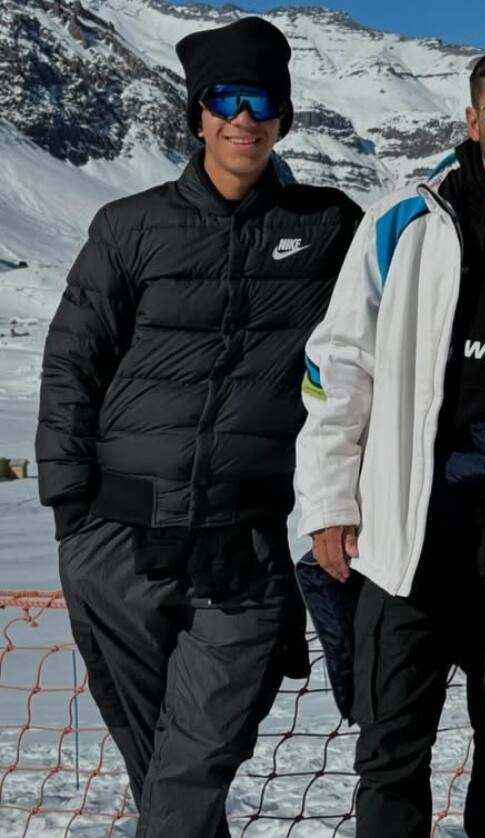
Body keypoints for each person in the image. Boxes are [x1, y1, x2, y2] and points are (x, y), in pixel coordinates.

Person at [35, 17, 361, 837]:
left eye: (262, 101)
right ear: (197, 113)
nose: (243, 118)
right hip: (116, 542)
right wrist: (72, 511)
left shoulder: (329, 226)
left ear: (284, 115)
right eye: (226, 99)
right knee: (164, 772)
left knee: (193, 762)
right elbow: (72, 363)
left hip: (241, 547)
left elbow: (386, 333)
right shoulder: (129, 224)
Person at [294, 41, 485, 837]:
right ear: (472, 120)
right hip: (409, 528)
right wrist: (329, 501)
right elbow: (339, 367)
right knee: (391, 745)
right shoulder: (407, 222)